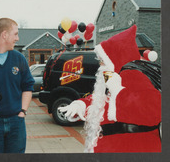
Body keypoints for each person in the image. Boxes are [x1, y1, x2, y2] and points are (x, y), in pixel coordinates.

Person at [59, 25, 161, 153]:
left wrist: (119, 91)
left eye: (102, 61)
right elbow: (102, 101)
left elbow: (153, 111)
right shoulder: (114, 75)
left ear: (115, 58)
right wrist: (81, 105)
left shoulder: (133, 76)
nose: (100, 65)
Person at [0, 18, 35, 153]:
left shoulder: (19, 58)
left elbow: (28, 86)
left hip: (16, 122)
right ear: (4, 35)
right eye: (15, 34)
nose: (17, 38)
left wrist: (23, 111)